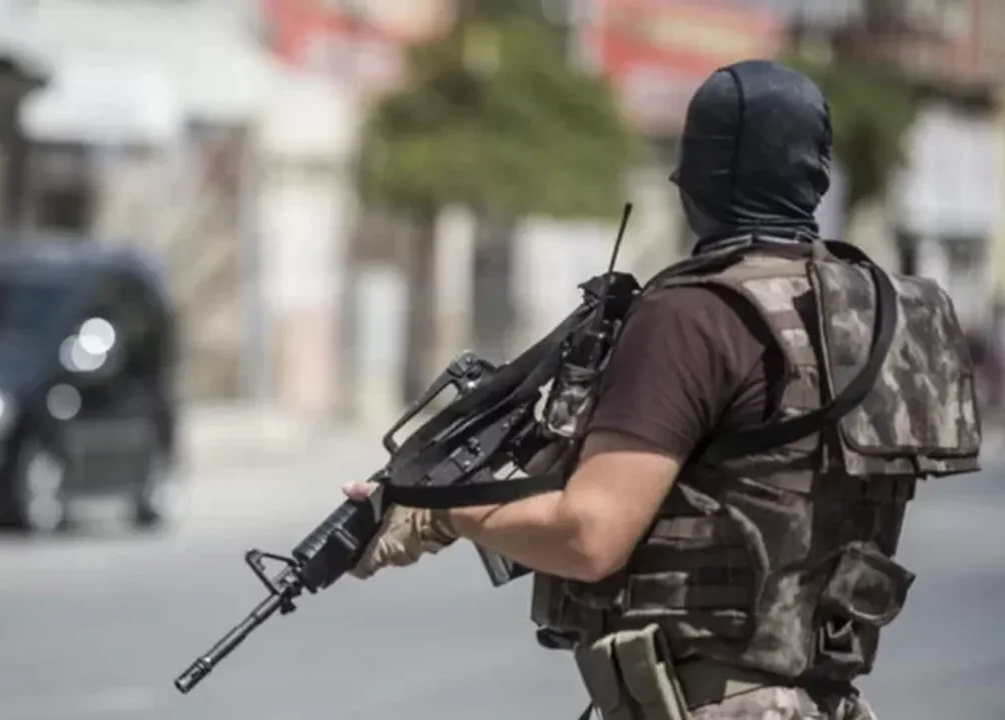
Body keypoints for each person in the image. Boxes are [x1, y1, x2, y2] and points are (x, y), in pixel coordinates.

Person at [344, 60, 982, 720]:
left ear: (697, 175)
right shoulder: (876, 314)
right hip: (824, 701)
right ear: (816, 174)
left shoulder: (694, 316)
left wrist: (440, 512)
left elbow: (589, 536)